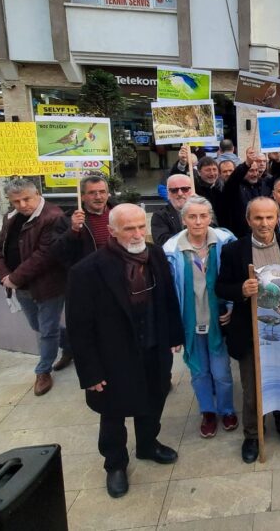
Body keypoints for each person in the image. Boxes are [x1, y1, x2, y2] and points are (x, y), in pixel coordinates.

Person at [66, 204, 184, 498]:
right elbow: (79, 327)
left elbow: (168, 297)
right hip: (113, 356)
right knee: (112, 412)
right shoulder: (87, 270)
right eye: (129, 229)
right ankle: (115, 464)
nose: (137, 234)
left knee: (154, 398)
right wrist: (90, 372)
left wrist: (174, 335)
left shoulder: (155, 255)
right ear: (112, 231)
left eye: (141, 226)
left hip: (153, 345)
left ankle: (147, 445)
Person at [215, 198, 280, 463]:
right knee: (252, 387)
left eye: (269, 217)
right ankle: (253, 434)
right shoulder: (234, 250)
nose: (264, 223)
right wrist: (241, 290)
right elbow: (221, 287)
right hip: (250, 330)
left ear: (277, 219)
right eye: (258, 218)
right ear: (248, 220)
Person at [162, 196, 238, 439]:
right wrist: (172, 329)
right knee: (199, 372)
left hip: (218, 320)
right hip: (190, 322)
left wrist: (232, 306)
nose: (198, 221)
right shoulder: (171, 250)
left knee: (221, 372)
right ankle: (208, 412)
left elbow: (235, 277)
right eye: (192, 216)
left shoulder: (225, 242)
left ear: (210, 217)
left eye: (203, 216)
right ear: (183, 219)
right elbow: (168, 292)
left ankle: (226, 409)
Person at [0, 178, 72, 394]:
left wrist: (14, 278)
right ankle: (71, 344)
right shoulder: (11, 218)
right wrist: (4, 275)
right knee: (38, 325)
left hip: (49, 285)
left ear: (37, 194)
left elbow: (45, 255)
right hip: (21, 286)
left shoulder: (53, 216)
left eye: (26, 199)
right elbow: (0, 249)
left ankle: (43, 371)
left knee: (47, 330)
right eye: (16, 201)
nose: (22, 205)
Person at [55, 176, 115, 267]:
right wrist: (73, 230)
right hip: (89, 272)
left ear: (108, 194)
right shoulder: (67, 219)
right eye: (92, 193)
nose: (98, 197)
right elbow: (57, 252)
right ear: (82, 197)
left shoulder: (121, 213)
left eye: (102, 192)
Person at [220, 148, 272, 236]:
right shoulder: (235, 187)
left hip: (262, 233)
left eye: (256, 170)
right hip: (241, 235)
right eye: (251, 170)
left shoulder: (264, 185)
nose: (255, 174)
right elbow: (233, 179)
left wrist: (278, 161)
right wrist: (247, 164)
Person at [152, 174, 196, 248]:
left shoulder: (203, 211)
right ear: (168, 194)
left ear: (192, 191)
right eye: (174, 190)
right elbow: (162, 241)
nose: (180, 193)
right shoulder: (160, 215)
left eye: (184, 189)